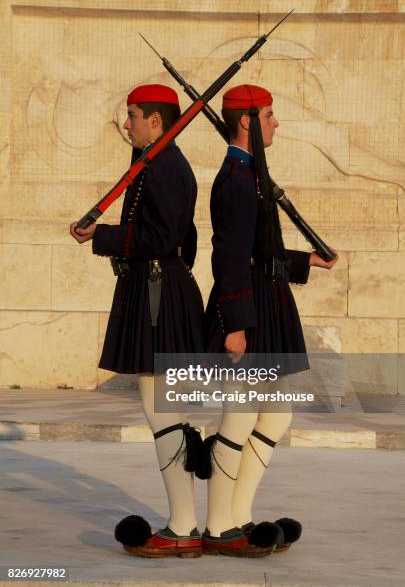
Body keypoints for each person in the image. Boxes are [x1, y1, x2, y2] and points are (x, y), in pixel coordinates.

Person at [201, 84, 339, 557]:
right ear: (247, 121)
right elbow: (230, 256)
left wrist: (307, 262)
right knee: (238, 416)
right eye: (271, 115)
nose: (276, 123)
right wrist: (236, 324)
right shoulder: (236, 179)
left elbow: (263, 252)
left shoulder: (251, 173)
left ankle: (238, 516)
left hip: (267, 302)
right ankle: (219, 526)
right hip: (249, 310)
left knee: (275, 416)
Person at [70, 84, 205, 558]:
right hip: (154, 289)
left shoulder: (166, 166)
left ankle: (184, 525)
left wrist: (101, 236)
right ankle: (185, 521)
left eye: (132, 116)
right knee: (167, 413)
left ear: (156, 121)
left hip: (157, 292)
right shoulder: (153, 162)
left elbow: (162, 235)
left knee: (163, 412)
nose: (126, 124)